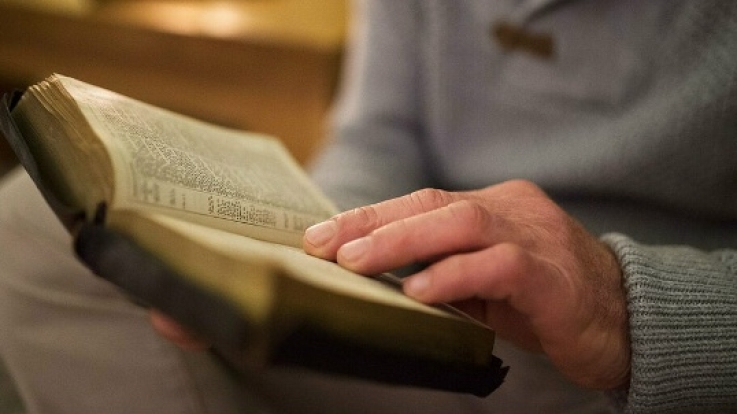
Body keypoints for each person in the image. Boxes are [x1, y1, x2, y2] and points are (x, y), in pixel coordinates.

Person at [1, 0, 737, 413]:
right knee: (39, 221)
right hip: (429, 310)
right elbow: (377, 139)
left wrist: (618, 308)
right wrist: (300, 252)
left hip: (641, 365)